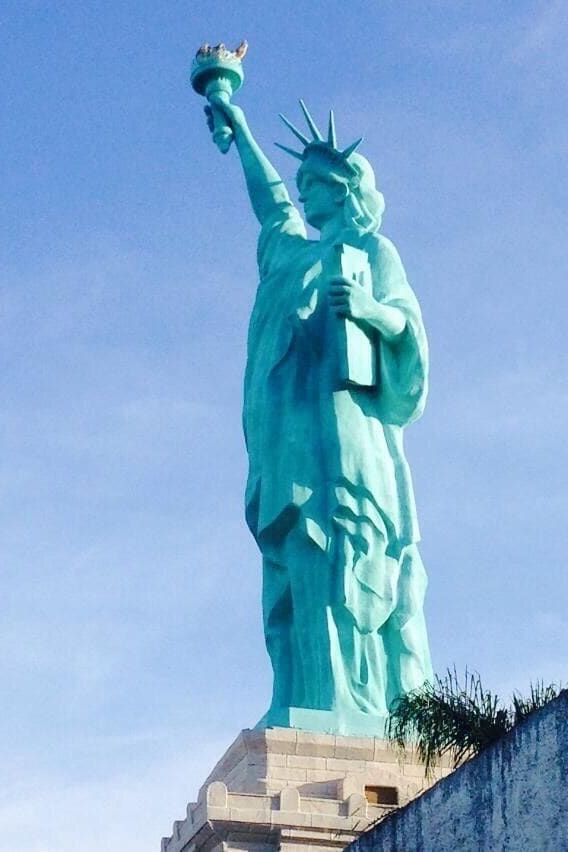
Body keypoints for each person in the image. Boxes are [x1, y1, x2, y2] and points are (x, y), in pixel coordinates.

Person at [204, 98, 433, 734]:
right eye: (302, 185)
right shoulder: (290, 258)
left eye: (316, 185)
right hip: (290, 443)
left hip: (349, 440)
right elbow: (268, 205)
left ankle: (356, 703)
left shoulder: (372, 251)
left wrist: (365, 308)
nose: (304, 197)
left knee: (345, 561)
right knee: (292, 570)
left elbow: (407, 327)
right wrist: (241, 128)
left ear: (345, 190)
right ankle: (303, 693)